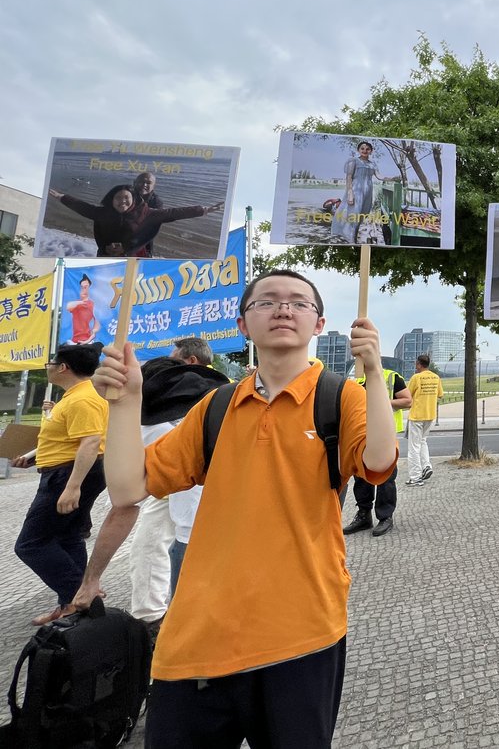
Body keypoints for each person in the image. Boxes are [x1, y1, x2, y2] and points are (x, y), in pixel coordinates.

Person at [91, 269, 398, 747]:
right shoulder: (214, 407)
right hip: (196, 639)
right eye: (267, 301)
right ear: (241, 325)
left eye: (299, 302)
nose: (283, 308)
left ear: (319, 325)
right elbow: (128, 488)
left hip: (303, 632)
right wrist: (126, 402)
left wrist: (374, 372)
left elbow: (379, 460)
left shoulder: (342, 397)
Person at [69, 354, 229, 635]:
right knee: (149, 544)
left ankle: (157, 625)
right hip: (223, 522)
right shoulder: (212, 409)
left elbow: (123, 507)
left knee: (192, 622)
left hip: (198, 537)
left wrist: (91, 580)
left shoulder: (150, 428)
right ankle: (153, 615)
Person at [12, 342, 108, 627]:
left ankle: (82, 597)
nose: (50, 368)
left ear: (63, 367)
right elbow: (68, 440)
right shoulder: (74, 396)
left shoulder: (83, 399)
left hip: (68, 476)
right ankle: (73, 604)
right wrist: (34, 458)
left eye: (51, 363)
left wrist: (72, 486)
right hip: (64, 470)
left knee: (31, 544)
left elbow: (90, 443)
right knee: (67, 537)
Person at [49, 184, 222, 257]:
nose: (122, 202)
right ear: (111, 199)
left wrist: (204, 210)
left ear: (134, 200)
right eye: (118, 198)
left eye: (127, 198)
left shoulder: (146, 214)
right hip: (106, 256)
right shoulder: (103, 213)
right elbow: (82, 207)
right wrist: (61, 197)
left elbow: (174, 212)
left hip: (131, 258)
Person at [344, 368, 412, 536]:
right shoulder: (355, 379)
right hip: (360, 433)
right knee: (360, 475)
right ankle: (363, 514)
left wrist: (380, 402)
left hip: (384, 434)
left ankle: (385, 517)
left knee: (386, 477)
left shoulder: (391, 377)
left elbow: (407, 401)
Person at [330, 140, 397, 243]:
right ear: (358, 150)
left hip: (368, 192)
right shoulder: (353, 161)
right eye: (362, 148)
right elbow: (348, 177)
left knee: (361, 215)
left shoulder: (372, 164)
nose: (365, 151)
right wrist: (350, 193)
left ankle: (354, 235)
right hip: (356, 191)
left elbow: (379, 176)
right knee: (353, 214)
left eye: (367, 149)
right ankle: (351, 238)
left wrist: (392, 178)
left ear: (371, 151)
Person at [405, 354, 442, 486]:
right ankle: (426, 466)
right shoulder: (436, 377)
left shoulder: (416, 378)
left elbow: (407, 396)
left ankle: (415, 477)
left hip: (417, 415)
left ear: (419, 364)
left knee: (413, 447)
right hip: (430, 415)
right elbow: (440, 394)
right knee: (423, 442)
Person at [66, 273, 100, 344]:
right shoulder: (77, 304)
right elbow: (68, 307)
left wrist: (89, 339)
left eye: (86, 287)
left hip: (87, 341)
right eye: (82, 287)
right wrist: (81, 303)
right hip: (75, 341)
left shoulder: (93, 305)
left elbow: (96, 325)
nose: (84, 290)